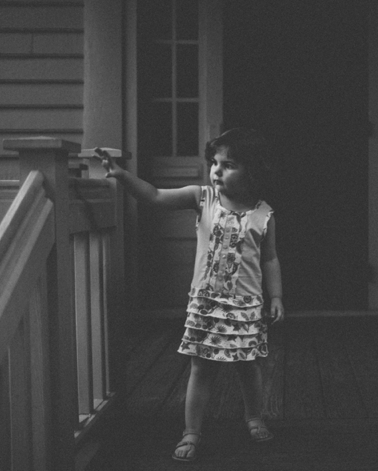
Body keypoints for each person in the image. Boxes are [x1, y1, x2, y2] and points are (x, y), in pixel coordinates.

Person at [96, 127, 284, 463]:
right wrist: (122, 175)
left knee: (248, 366)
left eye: (228, 165)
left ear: (253, 171)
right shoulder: (202, 198)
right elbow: (153, 196)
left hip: (244, 306)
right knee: (201, 368)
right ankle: (191, 432)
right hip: (208, 304)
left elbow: (269, 258)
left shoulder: (263, 213)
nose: (216, 170)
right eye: (214, 162)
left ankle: (254, 416)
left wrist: (277, 296)